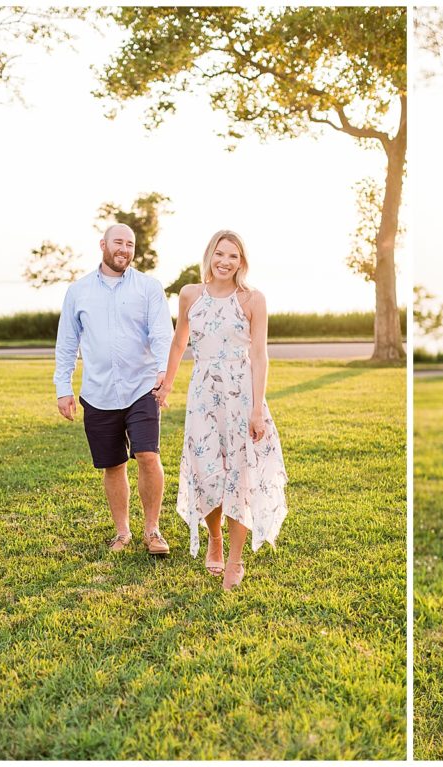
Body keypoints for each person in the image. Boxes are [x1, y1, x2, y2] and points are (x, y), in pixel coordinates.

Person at [157, 229, 288, 591]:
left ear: (241, 262)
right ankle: (213, 537)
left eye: (233, 256)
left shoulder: (252, 299)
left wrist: (257, 409)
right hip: (202, 395)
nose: (225, 261)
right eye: (220, 253)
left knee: (240, 476)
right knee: (207, 472)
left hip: (241, 395)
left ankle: (234, 558)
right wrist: (166, 384)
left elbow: (260, 355)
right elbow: (179, 342)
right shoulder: (189, 295)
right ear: (209, 255)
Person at [54, 223, 174, 555]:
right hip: (98, 392)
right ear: (103, 244)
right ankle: (122, 532)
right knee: (114, 464)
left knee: (148, 456)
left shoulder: (149, 288)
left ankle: (153, 530)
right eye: (118, 242)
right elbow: (67, 344)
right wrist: (63, 388)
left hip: (142, 387)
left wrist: (165, 371)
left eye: (130, 244)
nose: (124, 249)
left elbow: (162, 334)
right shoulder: (78, 291)